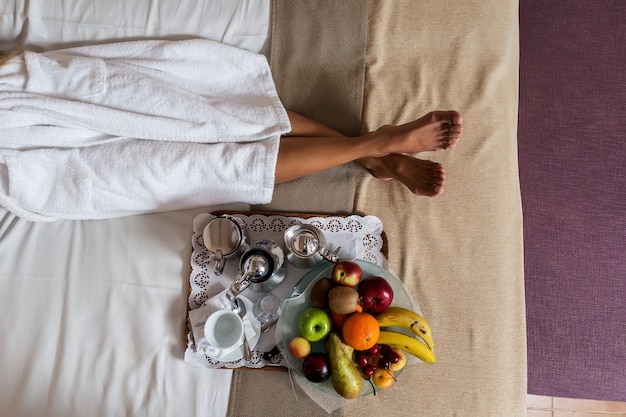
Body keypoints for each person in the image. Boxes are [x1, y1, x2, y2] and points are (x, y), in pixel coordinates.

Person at [0, 39, 462, 221]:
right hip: (20, 168)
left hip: (20, 94)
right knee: (177, 170)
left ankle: (371, 150)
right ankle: (369, 149)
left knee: (203, 112)